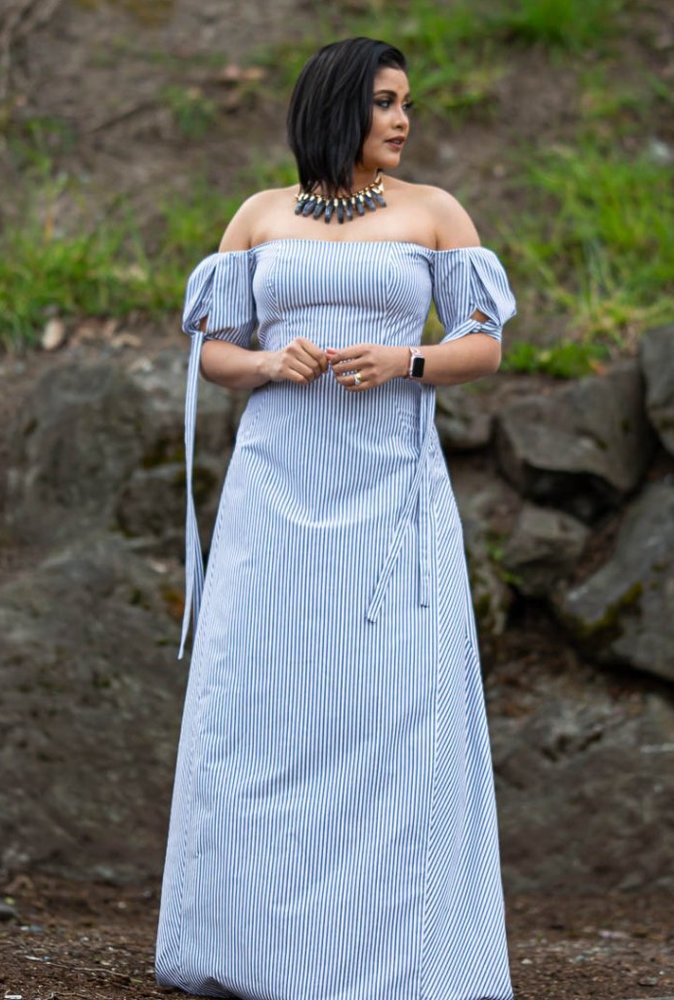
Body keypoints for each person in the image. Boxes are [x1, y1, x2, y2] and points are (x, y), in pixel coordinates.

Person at [154, 36, 516, 1000]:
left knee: (391, 712)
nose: (403, 121)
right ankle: (247, 951)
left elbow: (483, 345)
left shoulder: (435, 213)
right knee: (262, 708)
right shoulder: (260, 215)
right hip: (276, 488)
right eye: (386, 102)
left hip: (389, 486)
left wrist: (409, 362)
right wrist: (271, 364)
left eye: (408, 105)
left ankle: (395, 960)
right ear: (337, 106)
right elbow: (212, 352)